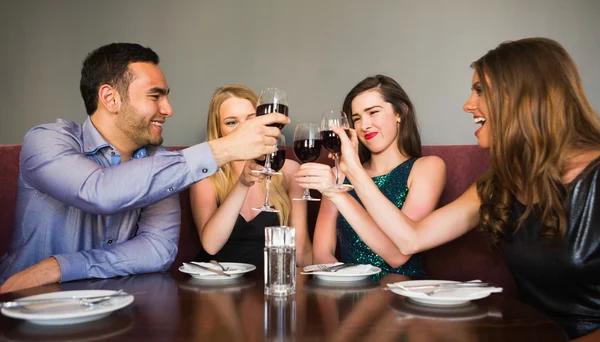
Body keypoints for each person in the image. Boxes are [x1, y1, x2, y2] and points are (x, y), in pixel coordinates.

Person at [313, 38, 600, 341]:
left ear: (524, 96)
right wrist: (352, 175)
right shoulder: (497, 184)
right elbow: (410, 240)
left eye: (480, 90)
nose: (468, 105)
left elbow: (399, 253)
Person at [0, 43, 289, 293]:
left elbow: (157, 250)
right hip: (28, 302)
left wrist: (61, 267)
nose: (168, 109)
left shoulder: (161, 164)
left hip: (115, 306)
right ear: (110, 98)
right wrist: (226, 148)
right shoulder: (47, 140)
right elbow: (98, 192)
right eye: (155, 96)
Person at [295, 75, 446, 276]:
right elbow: (322, 254)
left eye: (373, 112)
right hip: (347, 291)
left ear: (401, 111)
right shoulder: (337, 175)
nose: (364, 125)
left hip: (402, 292)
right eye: (357, 118)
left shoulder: (427, 168)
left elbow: (398, 256)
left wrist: (342, 192)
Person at [190, 85, 312, 267]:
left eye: (251, 119)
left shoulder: (289, 171)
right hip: (220, 283)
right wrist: (242, 184)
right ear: (218, 130)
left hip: (272, 283)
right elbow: (211, 246)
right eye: (232, 122)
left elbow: (301, 250)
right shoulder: (206, 174)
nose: (244, 129)